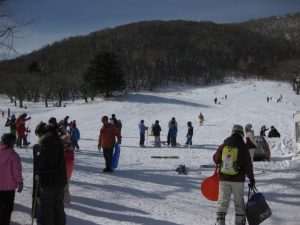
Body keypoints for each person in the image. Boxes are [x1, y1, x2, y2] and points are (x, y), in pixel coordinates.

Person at [213, 124, 255, 225]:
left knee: (223, 200)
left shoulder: (224, 145)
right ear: (241, 134)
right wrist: (251, 179)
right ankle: (239, 222)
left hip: (224, 178)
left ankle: (220, 221)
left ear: (232, 132)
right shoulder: (243, 146)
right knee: (239, 202)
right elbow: (248, 165)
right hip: (238, 180)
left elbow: (216, 159)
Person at [34, 118, 67, 225]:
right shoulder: (57, 141)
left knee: (47, 208)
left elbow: (40, 165)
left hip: (48, 181)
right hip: (60, 180)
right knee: (58, 206)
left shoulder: (45, 144)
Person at [0, 133, 23, 225]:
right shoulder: (14, 155)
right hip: (9, 188)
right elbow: (16, 171)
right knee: (7, 208)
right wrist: (20, 182)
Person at [61, 134, 75, 204]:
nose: (62, 144)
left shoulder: (69, 152)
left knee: (65, 188)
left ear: (68, 144)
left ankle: (66, 201)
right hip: (63, 173)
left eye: (64, 143)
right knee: (63, 187)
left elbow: (67, 161)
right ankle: (65, 199)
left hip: (66, 174)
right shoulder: (66, 150)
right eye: (62, 142)